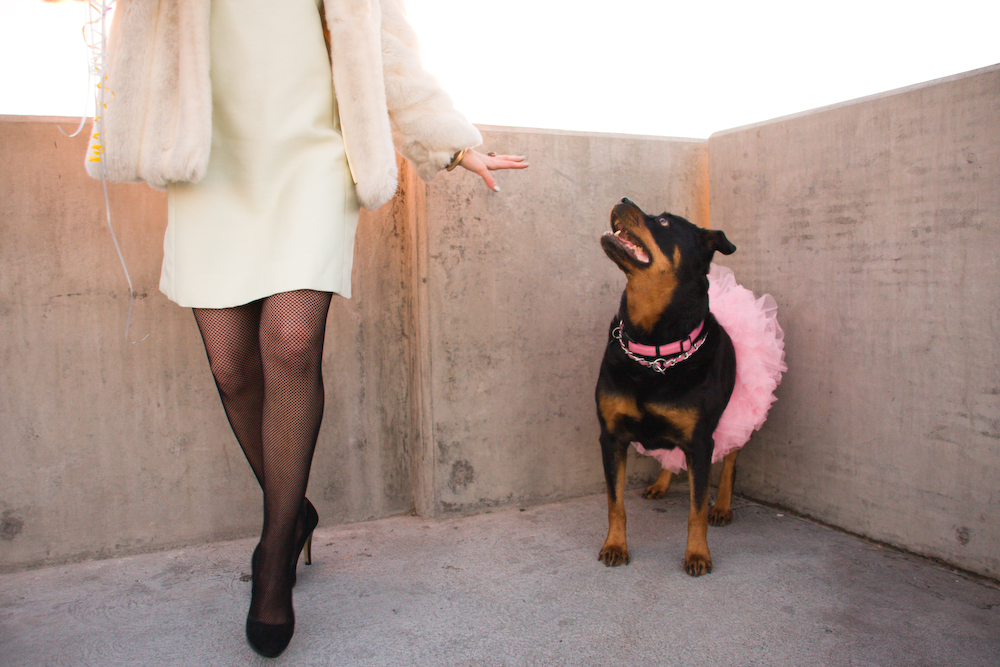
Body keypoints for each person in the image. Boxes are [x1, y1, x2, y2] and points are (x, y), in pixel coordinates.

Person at [85, 0, 528, 657]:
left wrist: (452, 142)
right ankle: (295, 510)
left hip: (313, 152)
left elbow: (385, 43)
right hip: (210, 152)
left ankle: (274, 551)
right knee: (231, 367)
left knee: (292, 343)